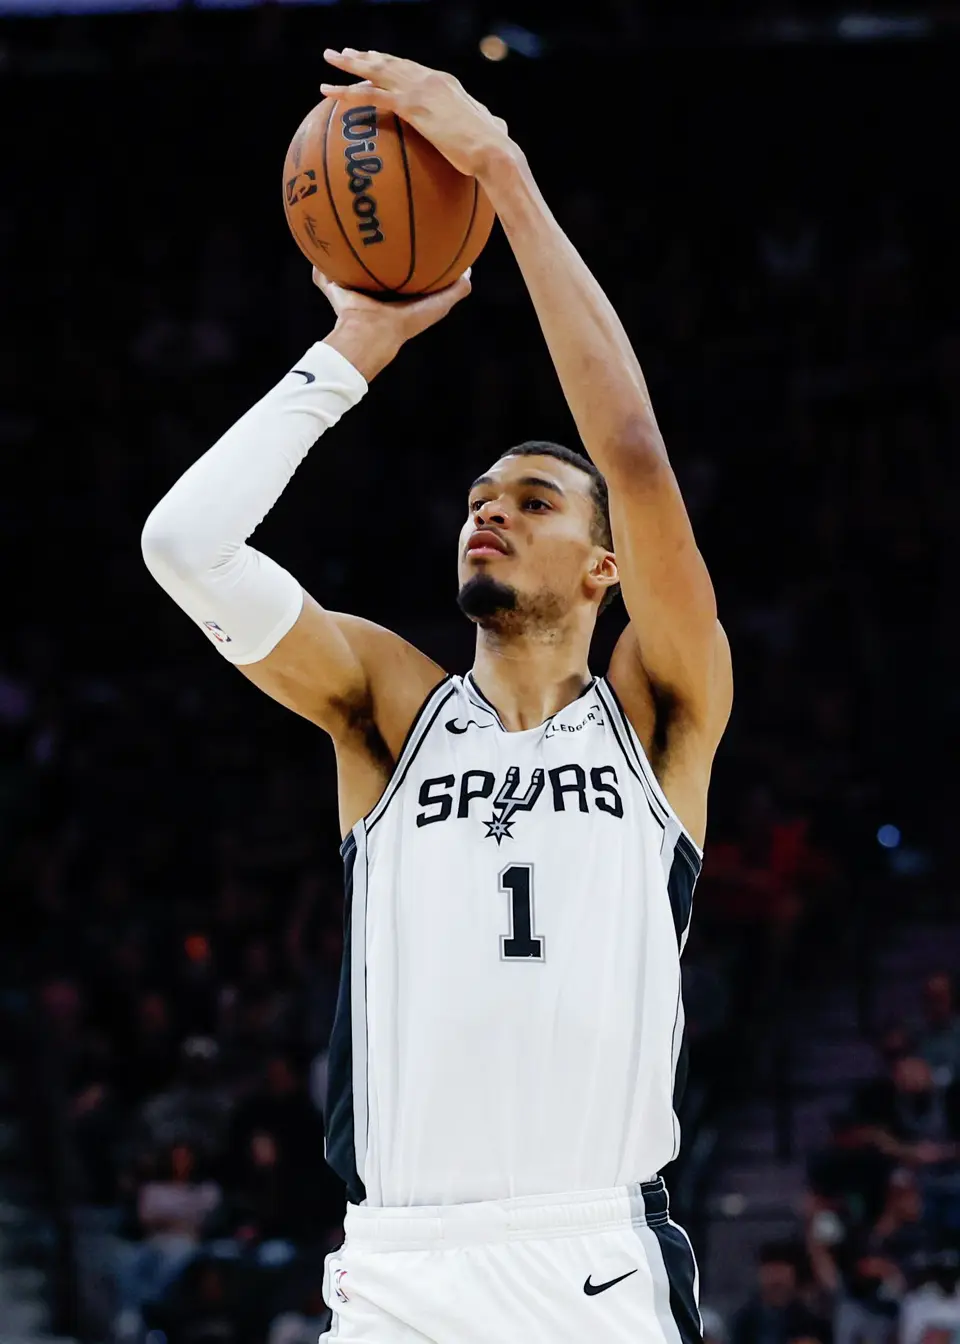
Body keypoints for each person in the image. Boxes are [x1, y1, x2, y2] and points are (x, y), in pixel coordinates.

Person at [141, 48, 733, 1344]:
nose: (491, 514)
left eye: (532, 502)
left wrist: (503, 173)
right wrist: (349, 351)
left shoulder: (659, 714)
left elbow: (630, 451)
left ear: (602, 567)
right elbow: (184, 548)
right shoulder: (389, 712)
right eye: (478, 499)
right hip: (399, 1266)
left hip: (594, 1259)